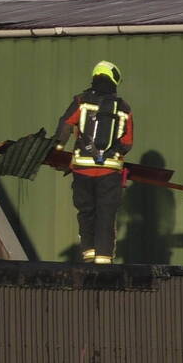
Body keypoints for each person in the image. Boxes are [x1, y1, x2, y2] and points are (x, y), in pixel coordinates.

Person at [54, 61, 134, 264]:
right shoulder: (124, 107)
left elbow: (65, 124)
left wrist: (58, 148)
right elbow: (127, 142)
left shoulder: (81, 101)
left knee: (86, 211)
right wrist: (114, 153)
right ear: (115, 80)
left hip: (83, 168)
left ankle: (88, 254)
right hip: (110, 171)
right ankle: (104, 259)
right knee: (106, 214)